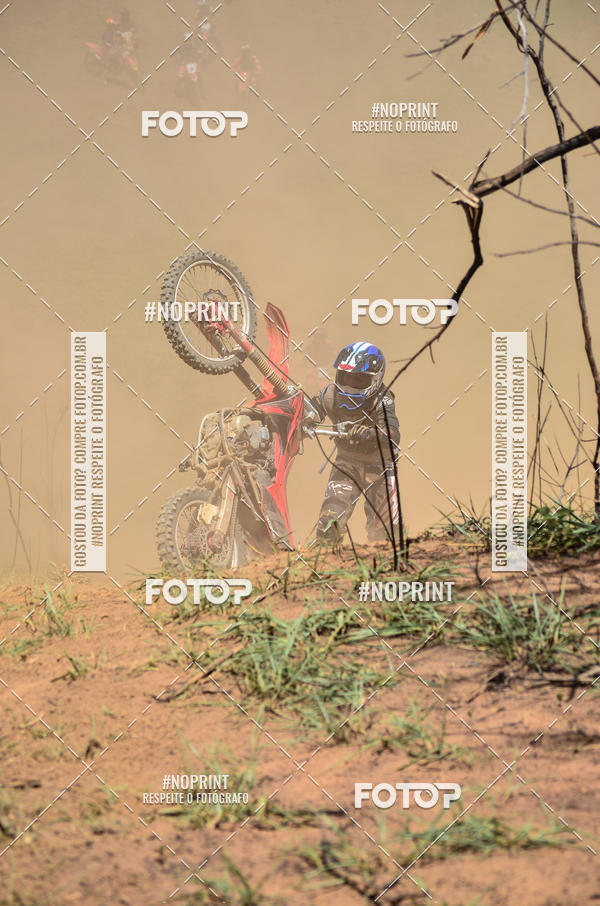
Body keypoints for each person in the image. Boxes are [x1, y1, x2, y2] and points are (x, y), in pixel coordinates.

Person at [311, 342, 401, 544]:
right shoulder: (330, 395)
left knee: (386, 536)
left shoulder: (383, 400)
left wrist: (370, 434)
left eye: (359, 379)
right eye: (347, 377)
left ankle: (384, 573)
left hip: (381, 468)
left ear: (375, 379)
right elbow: (309, 412)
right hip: (346, 464)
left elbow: (394, 434)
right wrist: (301, 419)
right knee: (328, 525)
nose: (351, 384)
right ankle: (321, 570)